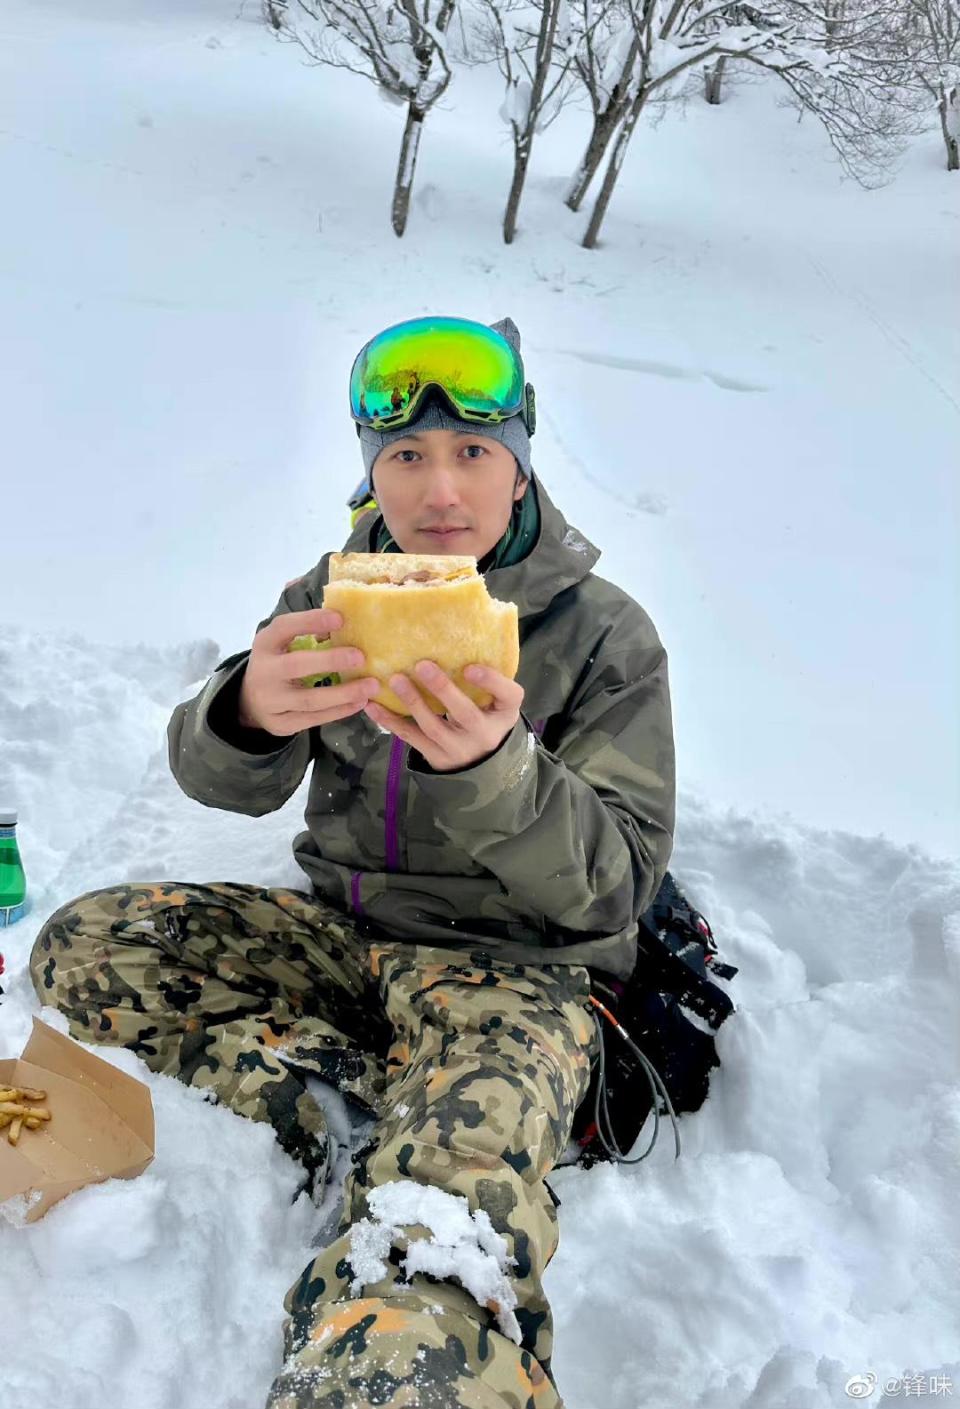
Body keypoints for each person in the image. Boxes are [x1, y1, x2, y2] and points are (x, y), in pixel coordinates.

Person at [29, 314, 676, 1408]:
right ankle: (349, 1103)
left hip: (517, 972)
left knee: (441, 1225)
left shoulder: (606, 635)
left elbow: (616, 882)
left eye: (475, 453)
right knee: (88, 946)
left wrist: (495, 770)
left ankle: (409, 1320)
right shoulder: (331, 595)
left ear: (521, 468)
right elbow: (226, 781)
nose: (439, 493)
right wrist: (240, 713)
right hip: (346, 942)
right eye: (406, 457)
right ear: (370, 467)